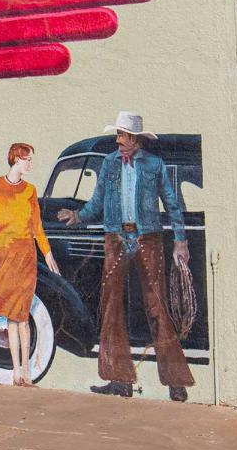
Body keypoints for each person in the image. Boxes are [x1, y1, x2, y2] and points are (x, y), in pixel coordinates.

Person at [56, 111, 194, 402]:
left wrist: (180, 240)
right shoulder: (109, 164)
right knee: (111, 306)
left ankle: (176, 382)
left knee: (157, 306)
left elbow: (171, 203)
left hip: (148, 238)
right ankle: (119, 380)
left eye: (122, 135)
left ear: (134, 139)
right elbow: (97, 202)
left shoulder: (155, 165)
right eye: (118, 135)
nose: (118, 140)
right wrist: (78, 216)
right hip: (116, 239)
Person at [0, 142, 60, 386]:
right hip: (4, 255)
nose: (30, 164)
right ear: (16, 159)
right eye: (28, 159)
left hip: (26, 255)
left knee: (23, 316)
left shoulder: (30, 190)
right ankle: (16, 371)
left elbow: (37, 226)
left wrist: (47, 253)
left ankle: (26, 374)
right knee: (11, 316)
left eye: (31, 160)